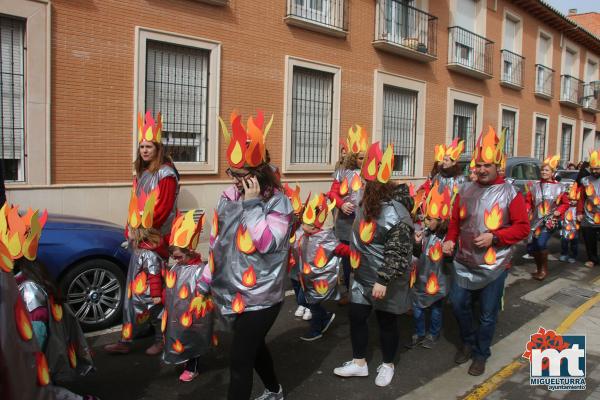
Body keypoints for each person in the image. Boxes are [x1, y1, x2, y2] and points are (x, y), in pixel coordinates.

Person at [211, 110, 292, 400]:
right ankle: (275, 390)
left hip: (262, 295)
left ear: (257, 175)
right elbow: (219, 240)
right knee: (255, 348)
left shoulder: (279, 203)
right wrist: (207, 276)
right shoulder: (228, 195)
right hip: (234, 290)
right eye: (232, 173)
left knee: (239, 360)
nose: (233, 180)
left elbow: (268, 243)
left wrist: (253, 205)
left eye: (239, 175)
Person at [443, 126, 529, 376]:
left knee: (488, 314)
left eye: (486, 165)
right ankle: (468, 342)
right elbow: (455, 222)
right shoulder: (465, 190)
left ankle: (481, 354)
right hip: (464, 262)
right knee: (459, 305)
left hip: (494, 265)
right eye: (478, 164)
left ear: (497, 166)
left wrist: (495, 237)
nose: (481, 169)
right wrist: (450, 239)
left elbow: (523, 228)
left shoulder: (511, 193)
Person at [333, 142, 414, 388]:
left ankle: (388, 364)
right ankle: (359, 363)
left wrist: (383, 279)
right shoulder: (364, 203)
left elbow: (399, 251)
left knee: (386, 322)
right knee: (357, 316)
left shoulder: (397, 213)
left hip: (384, 281)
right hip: (361, 276)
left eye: (370, 185)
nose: (365, 188)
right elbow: (360, 239)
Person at [0, 205, 99, 400]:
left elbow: (37, 332)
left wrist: (24, 361)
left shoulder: (29, 289)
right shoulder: (25, 280)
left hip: (37, 361)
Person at [105, 197, 166, 355]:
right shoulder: (137, 247)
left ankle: (161, 341)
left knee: (156, 318)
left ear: (138, 232)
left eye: (130, 229)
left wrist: (155, 295)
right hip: (134, 294)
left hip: (148, 296)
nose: (127, 232)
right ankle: (124, 342)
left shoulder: (149, 254)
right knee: (130, 316)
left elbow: (154, 275)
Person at [163, 210, 214, 382]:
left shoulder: (199, 270)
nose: (175, 260)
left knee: (193, 338)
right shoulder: (176, 267)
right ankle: (186, 359)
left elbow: (206, 290)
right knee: (179, 336)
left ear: (189, 251)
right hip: (177, 313)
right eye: (173, 257)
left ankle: (194, 367)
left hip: (193, 315)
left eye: (178, 257)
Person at [297, 193, 350, 341]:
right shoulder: (305, 235)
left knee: (312, 304)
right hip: (307, 278)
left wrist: (356, 253)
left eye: (305, 224)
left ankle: (316, 330)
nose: (302, 226)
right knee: (302, 300)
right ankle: (325, 316)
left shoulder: (326, 239)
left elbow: (342, 249)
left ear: (314, 227)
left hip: (319, 279)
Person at [408, 182, 451, 350]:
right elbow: (417, 254)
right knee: (418, 307)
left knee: (435, 309)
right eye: (425, 217)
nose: (425, 221)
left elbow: (450, 258)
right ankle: (419, 332)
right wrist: (417, 243)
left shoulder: (445, 237)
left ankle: (433, 333)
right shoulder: (424, 233)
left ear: (440, 220)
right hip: (421, 278)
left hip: (438, 279)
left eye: (429, 219)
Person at [328, 125, 367, 305]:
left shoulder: (371, 174)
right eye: (360, 158)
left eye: (365, 157)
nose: (363, 160)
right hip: (346, 222)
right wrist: (342, 205)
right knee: (346, 256)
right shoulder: (342, 172)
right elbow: (332, 193)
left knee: (363, 255)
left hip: (365, 222)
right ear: (353, 157)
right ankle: (346, 292)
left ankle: (362, 289)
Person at [130, 111, 179, 245]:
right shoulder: (140, 172)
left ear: (157, 150)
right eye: (142, 147)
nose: (144, 151)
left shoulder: (166, 174)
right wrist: (132, 225)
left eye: (149, 147)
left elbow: (163, 209)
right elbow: (135, 202)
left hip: (156, 236)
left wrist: (142, 230)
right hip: (139, 234)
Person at [525, 155, 569, 280]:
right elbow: (528, 201)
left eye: (547, 170)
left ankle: (543, 270)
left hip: (549, 221)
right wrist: (527, 208)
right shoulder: (534, 186)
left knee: (540, 243)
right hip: (535, 221)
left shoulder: (560, 187)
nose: (544, 172)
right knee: (533, 245)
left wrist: (558, 212)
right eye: (542, 170)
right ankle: (539, 268)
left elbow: (565, 203)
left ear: (553, 172)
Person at [283, 183, 311, 321]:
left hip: (302, 250)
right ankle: (302, 303)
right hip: (290, 251)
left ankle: (308, 304)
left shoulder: (302, 219)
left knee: (304, 279)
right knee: (294, 278)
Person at [577, 151, 600, 268]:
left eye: (598, 168)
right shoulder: (585, 180)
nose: (595, 171)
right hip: (589, 215)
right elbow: (581, 198)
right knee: (589, 239)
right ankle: (592, 259)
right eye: (593, 169)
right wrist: (579, 212)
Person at [560, 182, 580, 263]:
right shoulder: (565, 206)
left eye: (574, 199)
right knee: (564, 239)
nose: (572, 201)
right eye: (570, 199)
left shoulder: (578, 209)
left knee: (574, 240)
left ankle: (573, 255)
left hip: (575, 226)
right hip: (565, 226)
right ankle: (564, 253)